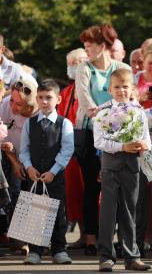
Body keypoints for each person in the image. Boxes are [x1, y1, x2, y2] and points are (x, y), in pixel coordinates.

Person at [75, 24, 131, 256]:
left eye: (91, 45)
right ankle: (91, 237)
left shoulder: (122, 68)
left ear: (104, 45)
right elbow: (85, 98)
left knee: (116, 187)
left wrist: (114, 117)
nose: (86, 49)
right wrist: (104, 113)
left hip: (118, 132)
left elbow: (129, 96)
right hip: (90, 132)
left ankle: (115, 237)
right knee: (91, 185)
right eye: (85, 45)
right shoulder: (83, 68)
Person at [94, 68, 151, 272]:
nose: (121, 90)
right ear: (110, 89)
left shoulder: (139, 112)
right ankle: (106, 256)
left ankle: (131, 256)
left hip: (132, 167)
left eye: (125, 86)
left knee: (129, 212)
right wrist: (121, 146)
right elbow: (99, 141)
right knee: (108, 212)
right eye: (117, 87)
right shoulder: (103, 112)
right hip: (110, 167)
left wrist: (145, 145)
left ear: (132, 88)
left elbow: (147, 139)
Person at [19, 81, 74, 264]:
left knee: (58, 212)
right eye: (41, 97)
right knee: (35, 210)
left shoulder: (64, 123)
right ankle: (35, 251)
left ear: (58, 99)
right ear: (36, 98)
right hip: (34, 175)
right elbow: (24, 149)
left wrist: (54, 170)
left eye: (48, 97)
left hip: (55, 176)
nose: (44, 101)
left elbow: (67, 150)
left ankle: (58, 249)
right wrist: (28, 167)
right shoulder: (29, 123)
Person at [0, 77, 38, 254]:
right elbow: (3, 139)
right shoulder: (6, 104)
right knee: (15, 193)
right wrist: (15, 162)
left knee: (33, 194)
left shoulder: (40, 111)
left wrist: (29, 164)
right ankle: (19, 241)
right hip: (11, 154)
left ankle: (35, 241)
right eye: (13, 101)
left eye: (19, 104)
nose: (13, 107)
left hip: (35, 156)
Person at [57, 48, 88, 249]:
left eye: (80, 61)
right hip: (68, 150)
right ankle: (83, 234)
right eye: (72, 62)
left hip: (88, 147)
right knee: (73, 193)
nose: (75, 65)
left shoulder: (91, 87)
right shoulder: (66, 92)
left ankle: (91, 235)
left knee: (89, 191)